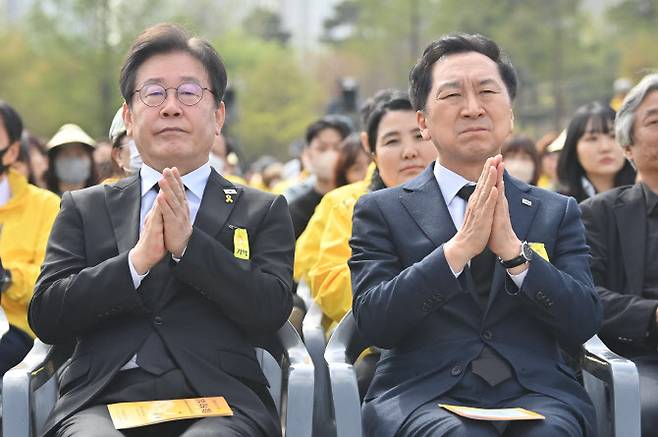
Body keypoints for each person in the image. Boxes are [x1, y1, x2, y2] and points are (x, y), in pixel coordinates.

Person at [29, 23, 294, 437]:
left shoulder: (262, 209)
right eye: (154, 93)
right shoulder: (86, 207)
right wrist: (135, 263)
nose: (171, 107)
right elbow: (47, 315)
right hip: (103, 401)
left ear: (218, 114)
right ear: (130, 119)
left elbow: (269, 311)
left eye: (189, 93)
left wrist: (190, 248)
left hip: (219, 403)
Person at [348, 33, 602, 437]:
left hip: (537, 394)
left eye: (487, 91)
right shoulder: (381, 210)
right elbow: (375, 322)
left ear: (510, 113)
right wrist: (457, 251)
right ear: (423, 122)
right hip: (423, 395)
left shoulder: (557, 211)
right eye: (452, 96)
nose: (472, 108)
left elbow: (583, 320)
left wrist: (516, 256)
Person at [306, 90, 436, 332]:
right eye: (392, 141)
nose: (409, 152)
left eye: (419, 136)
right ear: (370, 147)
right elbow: (328, 281)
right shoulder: (347, 204)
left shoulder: (466, 196)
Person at [580, 73, 658, 436]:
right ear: (627, 146)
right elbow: (586, 294)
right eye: (655, 119)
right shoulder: (599, 213)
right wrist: (652, 315)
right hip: (641, 358)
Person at [0, 101, 60, 376]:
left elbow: (50, 281)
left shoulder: (45, 205)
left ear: (12, 151)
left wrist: (7, 277)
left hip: (16, 330)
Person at [286, 115, 353, 238]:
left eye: (337, 148)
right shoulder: (293, 211)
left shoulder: (359, 199)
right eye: (322, 149)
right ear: (307, 154)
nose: (330, 155)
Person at [557, 102, 636, 203]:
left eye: (613, 136)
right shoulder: (560, 206)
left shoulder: (648, 198)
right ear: (573, 148)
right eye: (592, 139)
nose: (605, 148)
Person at [44, 123, 99, 196]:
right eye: (66, 154)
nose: (73, 160)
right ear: (54, 160)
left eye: (79, 154)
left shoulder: (100, 200)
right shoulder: (45, 201)